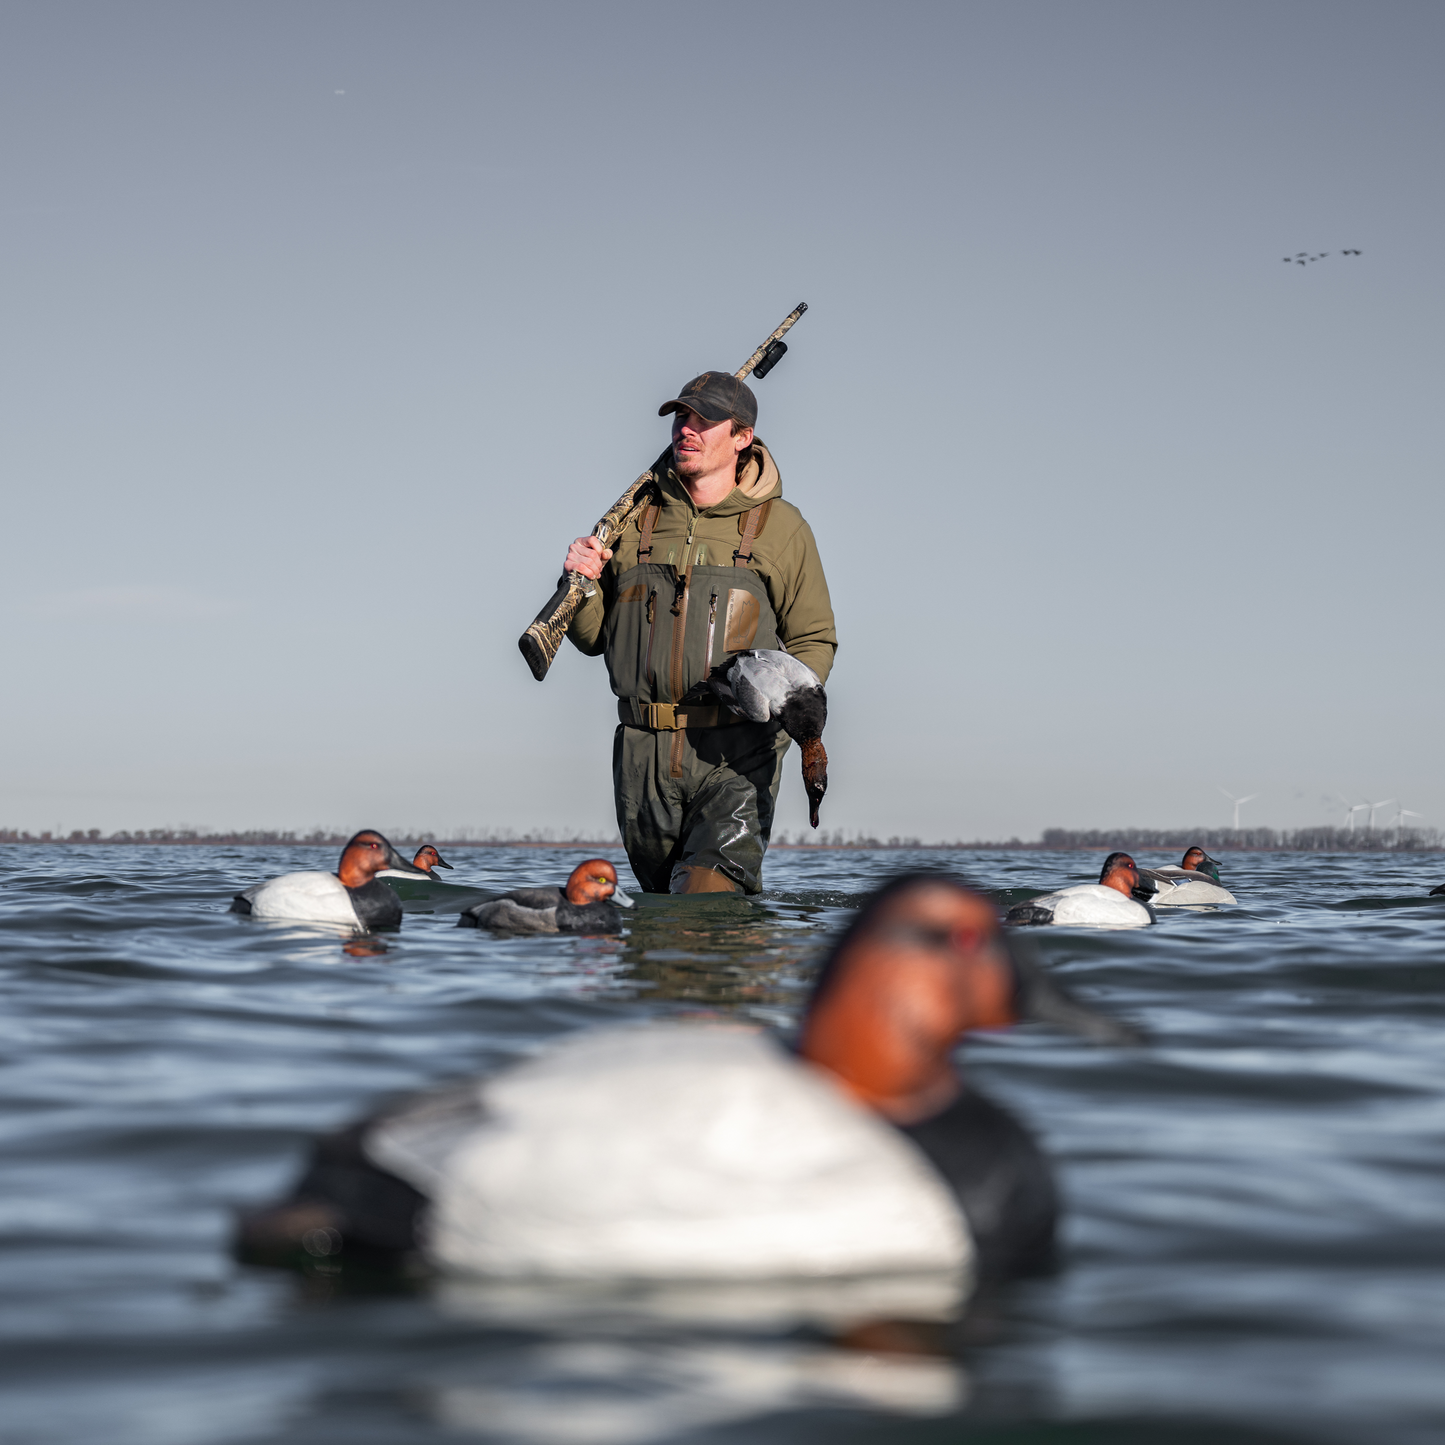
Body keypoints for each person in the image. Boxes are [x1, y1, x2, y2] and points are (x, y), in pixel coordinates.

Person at [562, 370, 836, 894]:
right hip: (641, 756)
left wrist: (782, 701)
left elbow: (814, 639)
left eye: (705, 420)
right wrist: (581, 584)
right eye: (682, 417)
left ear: (742, 438)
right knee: (661, 930)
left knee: (703, 906)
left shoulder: (782, 527)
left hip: (736, 754)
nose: (687, 428)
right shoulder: (636, 520)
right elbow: (596, 639)